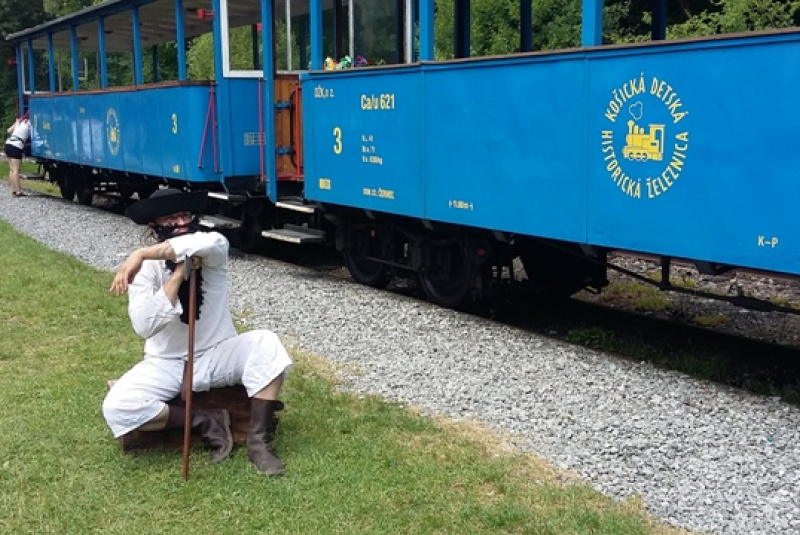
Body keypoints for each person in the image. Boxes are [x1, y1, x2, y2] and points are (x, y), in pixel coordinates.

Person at [103, 188, 293, 476]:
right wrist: (178, 275)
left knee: (266, 343)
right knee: (117, 407)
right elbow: (145, 325)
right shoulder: (145, 270)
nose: (180, 222)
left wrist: (139, 253)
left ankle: (259, 444)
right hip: (165, 362)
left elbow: (204, 242)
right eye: (170, 217)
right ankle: (204, 421)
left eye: (185, 215)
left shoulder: (213, 246)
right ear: (155, 227)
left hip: (217, 353)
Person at [4, 111, 31, 197]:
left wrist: (16, 123)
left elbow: (8, 130)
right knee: (16, 170)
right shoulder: (30, 124)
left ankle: (14, 190)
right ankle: (19, 191)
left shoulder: (19, 121)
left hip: (8, 144)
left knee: (12, 169)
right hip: (16, 146)